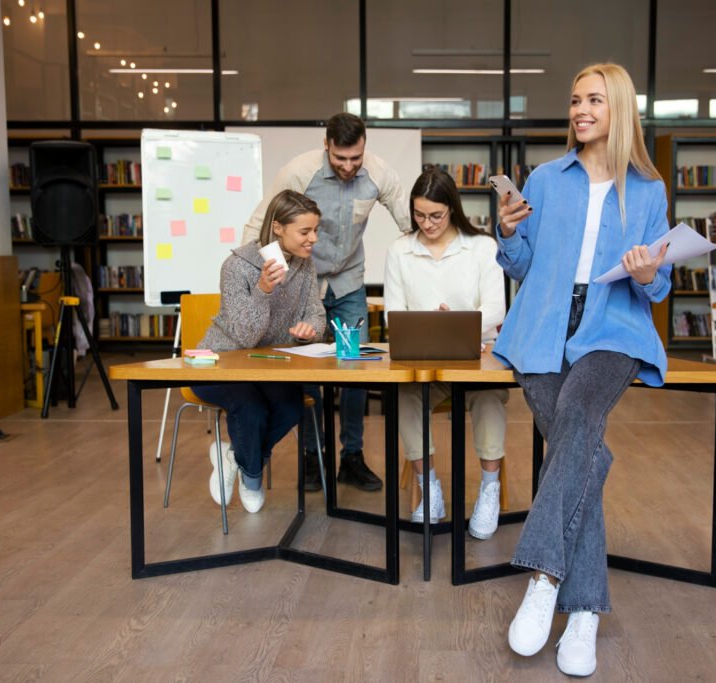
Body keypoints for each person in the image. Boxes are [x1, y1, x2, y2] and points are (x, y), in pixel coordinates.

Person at [494, 63, 671, 677]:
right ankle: (587, 610)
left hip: (611, 330)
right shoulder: (544, 178)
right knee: (580, 445)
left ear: (618, 108)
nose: (580, 110)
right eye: (574, 101)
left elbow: (658, 283)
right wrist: (508, 230)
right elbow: (520, 265)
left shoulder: (648, 190)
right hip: (543, 321)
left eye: (593, 99)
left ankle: (544, 578)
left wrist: (649, 273)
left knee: (575, 418)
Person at [242, 113, 411, 492]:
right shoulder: (299, 172)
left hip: (349, 283)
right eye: (340, 158)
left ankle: (352, 456)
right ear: (327, 146)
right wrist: (258, 274)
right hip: (302, 284)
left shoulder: (380, 174)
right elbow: (260, 224)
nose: (350, 166)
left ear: (364, 147)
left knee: (354, 370)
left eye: (356, 158)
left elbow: (409, 224)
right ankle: (312, 455)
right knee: (307, 372)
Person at [384, 167, 508, 537]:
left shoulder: (482, 246)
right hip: (424, 362)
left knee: (488, 396)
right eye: (419, 215)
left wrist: (457, 322)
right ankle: (430, 488)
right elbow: (395, 314)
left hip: (475, 357)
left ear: (452, 208)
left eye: (435, 215)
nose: (427, 223)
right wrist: (432, 328)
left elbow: (496, 310)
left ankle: (489, 490)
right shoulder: (400, 250)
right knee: (405, 393)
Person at [193, 190, 326, 513]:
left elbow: (317, 316)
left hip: (269, 367)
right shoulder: (236, 266)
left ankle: (234, 459)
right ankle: (252, 475)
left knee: (292, 407)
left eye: (316, 230)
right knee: (251, 409)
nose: (314, 239)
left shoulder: (304, 267)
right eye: (305, 231)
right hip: (217, 362)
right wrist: (263, 291)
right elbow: (245, 336)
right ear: (278, 228)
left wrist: (309, 329)